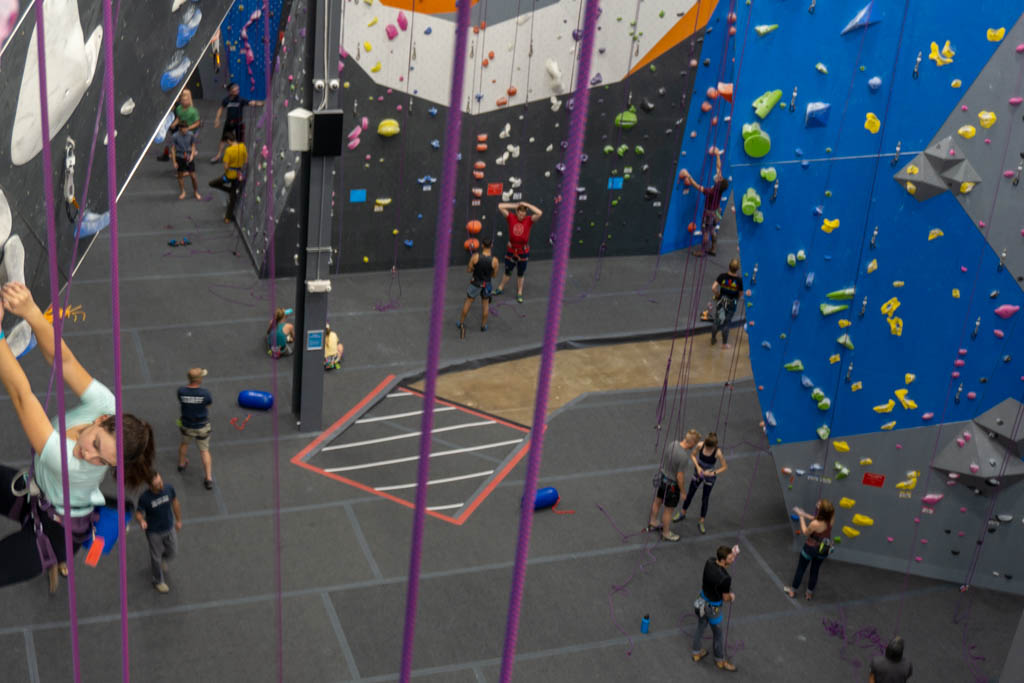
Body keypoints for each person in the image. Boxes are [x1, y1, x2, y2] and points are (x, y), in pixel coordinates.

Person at [0, 282, 155, 587]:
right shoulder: (106, 403)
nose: (88, 455)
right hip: (39, 495)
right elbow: (64, 361)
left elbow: (22, 396)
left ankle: (57, 565)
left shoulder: (71, 465)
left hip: (56, 535)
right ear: (101, 419)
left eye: (101, 461)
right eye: (95, 444)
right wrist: (31, 311)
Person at [647, 428, 700, 542]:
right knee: (668, 510)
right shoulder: (684, 457)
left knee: (657, 501)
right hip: (672, 485)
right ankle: (666, 533)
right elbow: (680, 477)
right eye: (694, 444)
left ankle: (653, 522)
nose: (694, 447)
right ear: (691, 443)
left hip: (662, 478)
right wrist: (682, 491)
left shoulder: (673, 444)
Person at [692, 545, 738, 672]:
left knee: (700, 627)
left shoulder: (710, 561)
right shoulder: (726, 578)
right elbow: (725, 598)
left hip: (701, 602)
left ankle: (696, 653)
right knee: (718, 634)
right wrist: (732, 596)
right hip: (713, 609)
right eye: (730, 558)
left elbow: (721, 568)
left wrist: (733, 553)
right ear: (723, 560)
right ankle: (720, 660)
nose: (733, 559)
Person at [135, 472, 181, 593]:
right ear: (150, 486)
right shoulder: (145, 498)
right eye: (157, 484)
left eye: (161, 481)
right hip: (154, 532)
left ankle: (162, 561)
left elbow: (175, 502)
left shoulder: (168, 489)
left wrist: (179, 520)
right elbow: (138, 513)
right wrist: (141, 521)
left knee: (173, 551)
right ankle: (158, 581)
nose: (161, 485)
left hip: (169, 527)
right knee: (155, 557)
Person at [674, 431, 728, 534]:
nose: (707, 449)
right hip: (698, 473)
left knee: (705, 498)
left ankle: (701, 521)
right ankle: (682, 513)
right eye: (706, 447)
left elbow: (725, 466)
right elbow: (693, 456)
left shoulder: (718, 452)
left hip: (709, 476)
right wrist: (698, 467)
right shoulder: (700, 445)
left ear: (714, 446)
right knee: (690, 493)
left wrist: (714, 473)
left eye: (709, 448)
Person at [678, 147, 729, 256]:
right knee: (713, 229)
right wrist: (717, 155)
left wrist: (688, 176)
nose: (718, 177)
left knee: (706, 231)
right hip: (717, 212)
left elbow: (697, 186)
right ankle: (714, 248)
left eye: (719, 179)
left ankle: (702, 251)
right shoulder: (720, 189)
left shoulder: (710, 191)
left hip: (709, 214)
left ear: (718, 183)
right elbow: (718, 168)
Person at [784, 498, 836, 600]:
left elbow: (805, 532)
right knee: (815, 571)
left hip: (810, 548)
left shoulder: (815, 524)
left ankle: (793, 590)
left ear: (820, 511)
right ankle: (809, 593)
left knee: (801, 569)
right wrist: (805, 514)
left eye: (819, 505)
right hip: (822, 550)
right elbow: (815, 518)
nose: (817, 503)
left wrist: (801, 517)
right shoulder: (830, 519)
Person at [495, 201, 543, 304]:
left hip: (523, 251)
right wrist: (515, 205)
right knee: (508, 271)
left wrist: (528, 205)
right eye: (520, 213)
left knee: (520, 273)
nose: (521, 216)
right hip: (511, 250)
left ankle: (519, 292)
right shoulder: (511, 217)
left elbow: (539, 213)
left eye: (523, 213)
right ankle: (500, 288)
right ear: (517, 212)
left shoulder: (529, 220)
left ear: (525, 213)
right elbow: (500, 206)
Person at [177, 367, 214, 490]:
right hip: (202, 426)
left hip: (187, 425)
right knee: (204, 451)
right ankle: (208, 478)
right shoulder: (205, 393)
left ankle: (181, 464)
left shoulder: (181, 391)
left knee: (184, 444)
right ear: (199, 379)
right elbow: (208, 404)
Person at [457, 238, 500, 338]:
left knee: (468, 302)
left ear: (482, 245)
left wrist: (474, 267)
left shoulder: (475, 257)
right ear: (492, 246)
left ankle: (461, 323)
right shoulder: (495, 261)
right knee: (485, 306)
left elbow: (469, 270)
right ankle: (483, 326)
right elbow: (494, 275)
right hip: (487, 284)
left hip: (475, 283)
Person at [210, 82, 262, 162]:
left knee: (240, 142)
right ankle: (218, 155)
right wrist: (217, 119)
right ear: (230, 91)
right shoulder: (226, 100)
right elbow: (221, 109)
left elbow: (251, 102)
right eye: (234, 90)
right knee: (223, 139)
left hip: (239, 123)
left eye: (237, 89)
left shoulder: (240, 100)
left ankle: (244, 157)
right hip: (229, 123)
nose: (237, 91)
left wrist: (261, 103)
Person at [208, 131, 247, 223]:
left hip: (230, 175)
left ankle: (229, 191)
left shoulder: (229, 151)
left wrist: (228, 170)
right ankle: (227, 218)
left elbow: (226, 166)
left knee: (213, 183)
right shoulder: (243, 147)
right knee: (233, 197)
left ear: (229, 140)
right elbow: (246, 160)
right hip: (238, 174)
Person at [157, 89, 201, 161]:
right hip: (181, 124)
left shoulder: (192, 110)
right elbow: (178, 117)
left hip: (190, 128)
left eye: (186, 99)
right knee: (173, 139)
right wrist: (173, 123)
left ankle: (188, 155)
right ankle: (172, 154)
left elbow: (197, 123)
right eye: (183, 100)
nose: (184, 101)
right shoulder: (178, 108)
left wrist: (188, 128)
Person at [711, 258, 743, 349]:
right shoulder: (740, 281)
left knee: (718, 320)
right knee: (726, 323)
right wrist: (736, 298)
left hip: (721, 301)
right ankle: (724, 344)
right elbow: (740, 294)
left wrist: (718, 295)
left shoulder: (722, 276)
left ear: (729, 266)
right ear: (738, 268)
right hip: (732, 303)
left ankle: (713, 338)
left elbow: (713, 288)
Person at [171, 123, 201, 200]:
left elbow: (193, 145)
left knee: (193, 177)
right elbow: (173, 149)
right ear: (180, 129)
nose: (185, 130)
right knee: (180, 176)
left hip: (188, 157)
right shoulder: (175, 136)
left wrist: (192, 155)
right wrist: (174, 162)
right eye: (183, 129)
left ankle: (196, 192)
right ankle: (183, 191)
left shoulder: (190, 135)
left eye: (186, 128)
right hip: (180, 157)